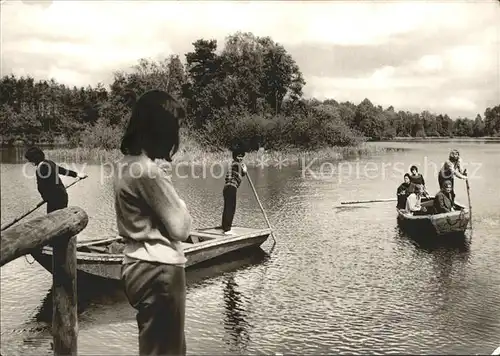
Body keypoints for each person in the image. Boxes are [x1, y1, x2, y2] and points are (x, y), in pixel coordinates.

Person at [114, 89, 192, 356]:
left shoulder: (126, 164)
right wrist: (176, 197)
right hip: (159, 270)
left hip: (136, 265)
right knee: (167, 351)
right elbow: (181, 229)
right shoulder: (148, 172)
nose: (175, 139)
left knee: (153, 347)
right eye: (173, 131)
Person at [24, 146, 86, 213]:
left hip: (54, 200)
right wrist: (76, 174)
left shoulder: (40, 169)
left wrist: (46, 198)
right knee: (61, 218)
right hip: (63, 195)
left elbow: (40, 187)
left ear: (34, 159)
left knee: (52, 220)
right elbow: (62, 171)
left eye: (30, 160)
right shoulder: (50, 162)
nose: (30, 162)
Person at [221, 146, 247, 235]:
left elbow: (241, 173)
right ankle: (227, 229)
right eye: (239, 156)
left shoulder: (236, 165)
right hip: (230, 188)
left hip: (229, 188)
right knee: (230, 208)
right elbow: (241, 170)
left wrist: (244, 170)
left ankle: (225, 227)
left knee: (228, 208)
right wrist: (244, 169)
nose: (240, 158)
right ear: (235, 157)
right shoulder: (235, 164)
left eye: (242, 156)